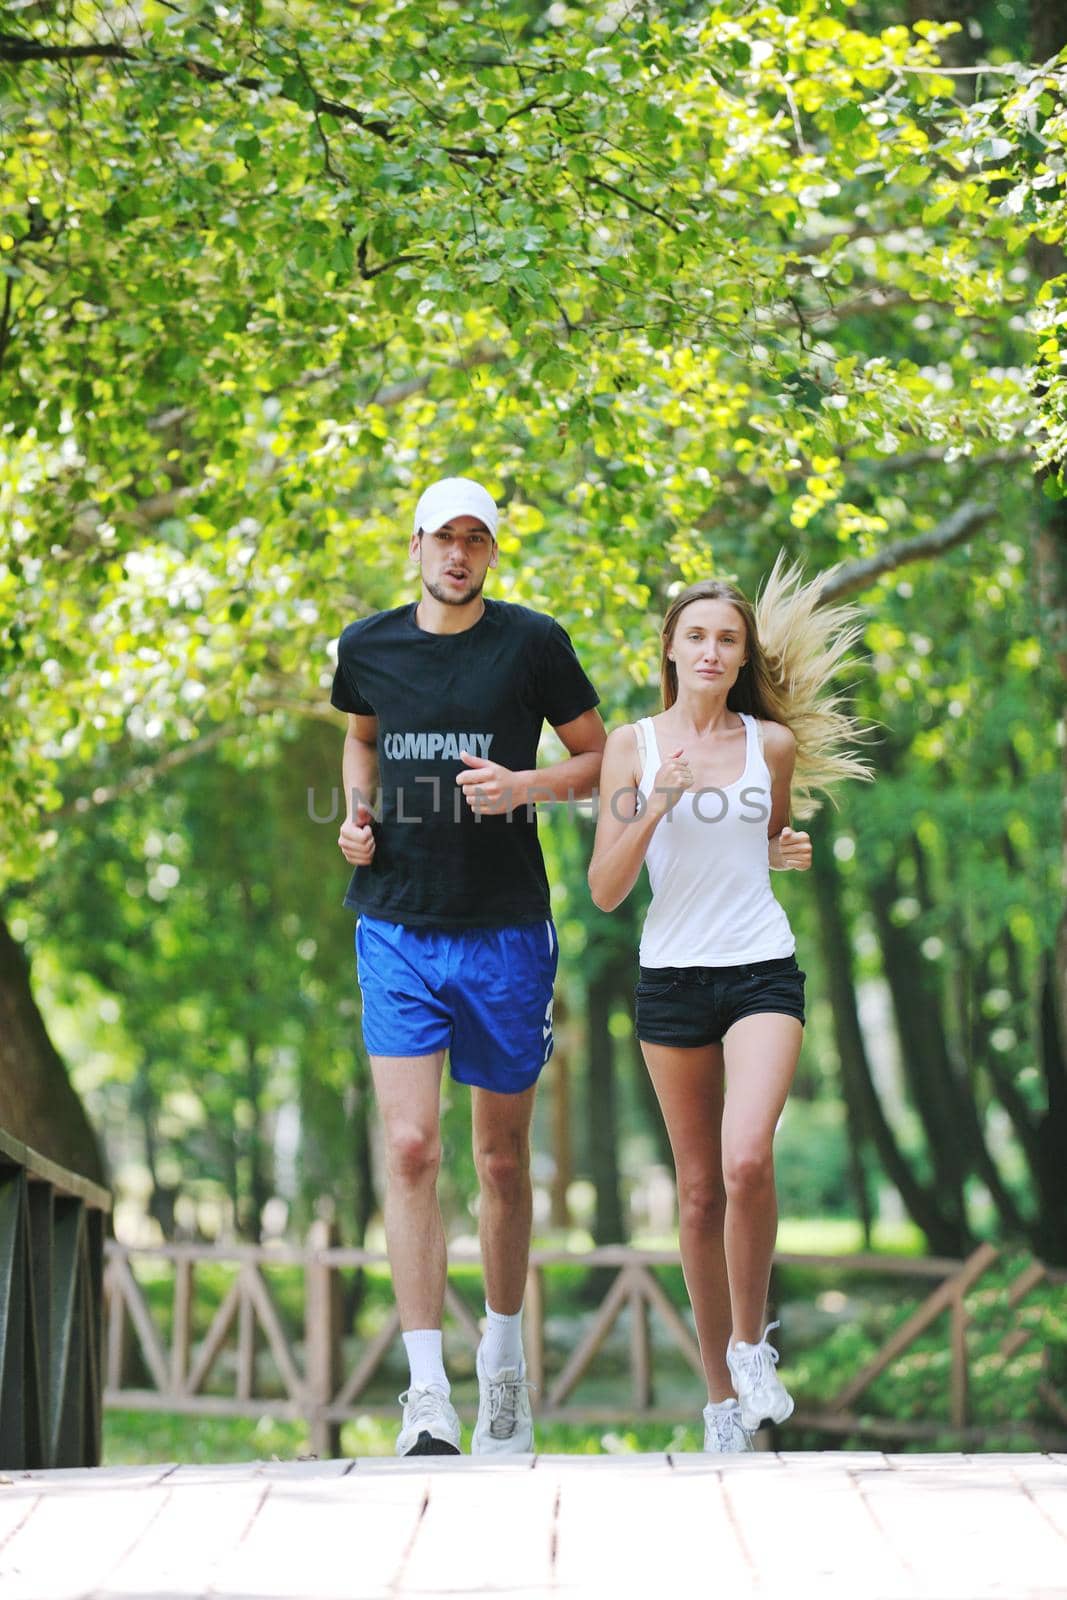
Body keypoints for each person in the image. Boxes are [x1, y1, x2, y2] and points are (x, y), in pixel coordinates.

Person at [330, 476, 606, 1456]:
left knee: (497, 1159)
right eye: (443, 538)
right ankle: (423, 1394)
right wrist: (354, 816)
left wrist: (522, 784)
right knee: (409, 1149)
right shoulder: (366, 647)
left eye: (475, 541)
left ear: (491, 553)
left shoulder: (532, 643)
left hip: (503, 933)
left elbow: (599, 760)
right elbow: (359, 742)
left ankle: (500, 1367)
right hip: (395, 925)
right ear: (413, 545)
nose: (457, 554)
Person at [587, 558, 871, 1453]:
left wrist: (787, 850)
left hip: (759, 969)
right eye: (696, 635)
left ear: (742, 655)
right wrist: (655, 802)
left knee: (747, 1160)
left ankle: (752, 1349)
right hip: (671, 978)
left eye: (727, 639)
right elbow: (603, 887)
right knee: (700, 1194)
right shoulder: (632, 747)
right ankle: (718, 1404)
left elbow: (770, 834)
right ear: (668, 647)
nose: (711, 650)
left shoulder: (768, 745)